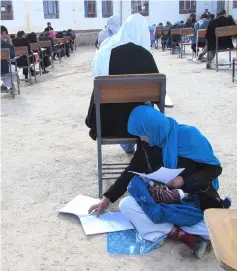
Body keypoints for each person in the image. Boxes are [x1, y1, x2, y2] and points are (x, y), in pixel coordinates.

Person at [89, 105, 230, 258]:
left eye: (143, 134)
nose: (142, 139)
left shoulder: (189, 136)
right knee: (126, 205)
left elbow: (214, 169)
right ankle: (179, 233)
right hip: (163, 200)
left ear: (151, 128)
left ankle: (170, 227)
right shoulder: (149, 144)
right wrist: (108, 198)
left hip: (192, 200)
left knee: (220, 233)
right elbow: (131, 170)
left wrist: (184, 180)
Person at [86, 14, 158, 154]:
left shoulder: (108, 51)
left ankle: (127, 145)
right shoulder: (145, 55)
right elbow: (159, 95)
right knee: (145, 105)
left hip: (107, 125)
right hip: (140, 127)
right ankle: (143, 150)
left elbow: (97, 85)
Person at [1, 25, 15, 92]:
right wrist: (11, 43)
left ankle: (4, 86)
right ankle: (10, 87)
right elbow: (12, 55)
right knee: (14, 68)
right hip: (3, 69)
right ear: (3, 33)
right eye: (5, 33)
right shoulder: (4, 43)